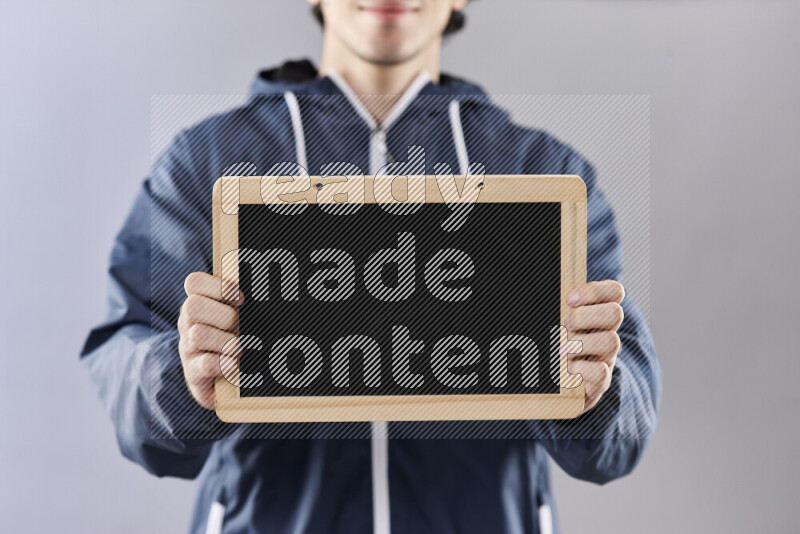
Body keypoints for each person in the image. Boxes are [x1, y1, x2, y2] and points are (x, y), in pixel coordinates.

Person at [81, 1, 661, 532]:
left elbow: (624, 432)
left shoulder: (545, 175)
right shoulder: (205, 163)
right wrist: (182, 378)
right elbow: (128, 381)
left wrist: (597, 395)